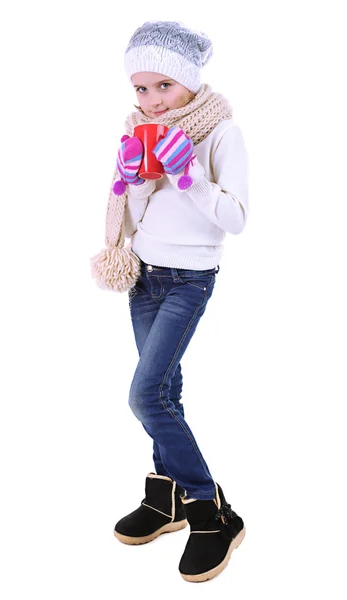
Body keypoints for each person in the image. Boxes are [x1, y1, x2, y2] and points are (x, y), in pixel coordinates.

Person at [92, 20, 249, 583]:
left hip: (189, 280)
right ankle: (166, 499)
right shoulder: (137, 131)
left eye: (164, 86)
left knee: (145, 395)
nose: (152, 100)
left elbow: (235, 218)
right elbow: (132, 220)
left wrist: (187, 174)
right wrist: (134, 180)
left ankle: (211, 508)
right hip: (145, 276)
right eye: (140, 88)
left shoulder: (220, 133)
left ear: (188, 80)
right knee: (167, 391)